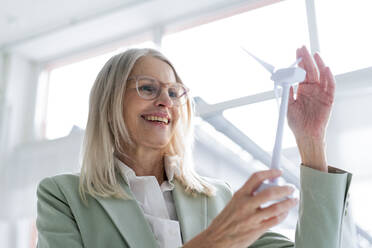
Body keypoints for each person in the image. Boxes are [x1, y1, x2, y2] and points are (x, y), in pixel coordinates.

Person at [36, 46, 352, 248]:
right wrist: (214, 242)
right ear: (108, 102)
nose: (165, 101)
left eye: (175, 93)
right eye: (148, 88)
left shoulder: (220, 198)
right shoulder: (63, 198)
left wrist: (311, 141)